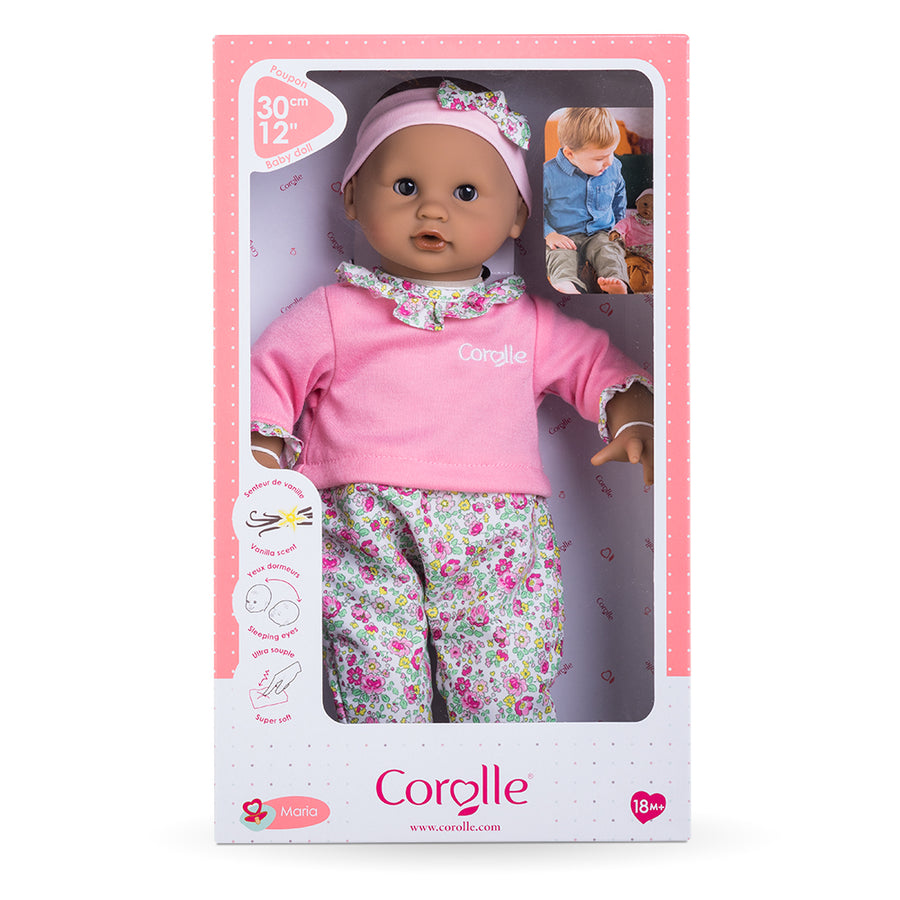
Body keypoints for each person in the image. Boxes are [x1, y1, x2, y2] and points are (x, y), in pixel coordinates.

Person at [250, 79, 653, 725]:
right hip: (364, 520)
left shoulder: (524, 322)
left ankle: (510, 772)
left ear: (517, 215)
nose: (432, 210)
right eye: (406, 187)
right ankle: (386, 772)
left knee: (506, 677)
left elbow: (596, 365)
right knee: (377, 673)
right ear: (352, 196)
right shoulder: (333, 313)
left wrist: (634, 416)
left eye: (466, 194)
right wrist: (261, 448)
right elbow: (268, 375)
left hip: (497, 533)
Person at [543, 107, 629, 294]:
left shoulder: (613, 167)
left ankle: (617, 282)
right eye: (600, 158)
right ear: (570, 154)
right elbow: (534, 210)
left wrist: (619, 226)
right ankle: (567, 285)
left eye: (612, 153)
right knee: (559, 256)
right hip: (563, 235)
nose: (609, 162)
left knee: (608, 250)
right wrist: (549, 234)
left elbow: (619, 195)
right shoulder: (547, 174)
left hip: (599, 233)